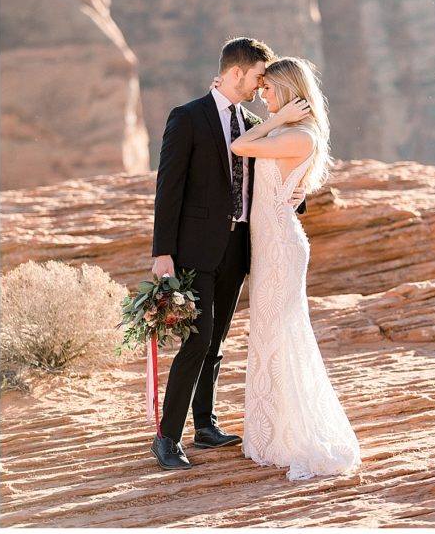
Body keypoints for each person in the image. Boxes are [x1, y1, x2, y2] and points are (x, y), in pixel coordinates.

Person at [229, 56, 361, 480]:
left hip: (281, 249)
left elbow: (241, 146)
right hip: (270, 246)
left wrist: (277, 119)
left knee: (282, 334)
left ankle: (294, 436)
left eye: (268, 89)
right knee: (269, 334)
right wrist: (278, 119)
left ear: (287, 92)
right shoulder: (290, 132)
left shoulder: (298, 135)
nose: (262, 95)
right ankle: (273, 432)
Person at [150, 37, 275, 470]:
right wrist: (162, 252)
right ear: (237, 72)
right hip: (194, 250)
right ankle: (167, 437)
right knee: (197, 340)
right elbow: (168, 189)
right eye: (259, 76)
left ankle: (205, 425)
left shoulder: (253, 122)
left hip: (237, 251)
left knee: (216, 341)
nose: (262, 86)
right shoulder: (187, 117)